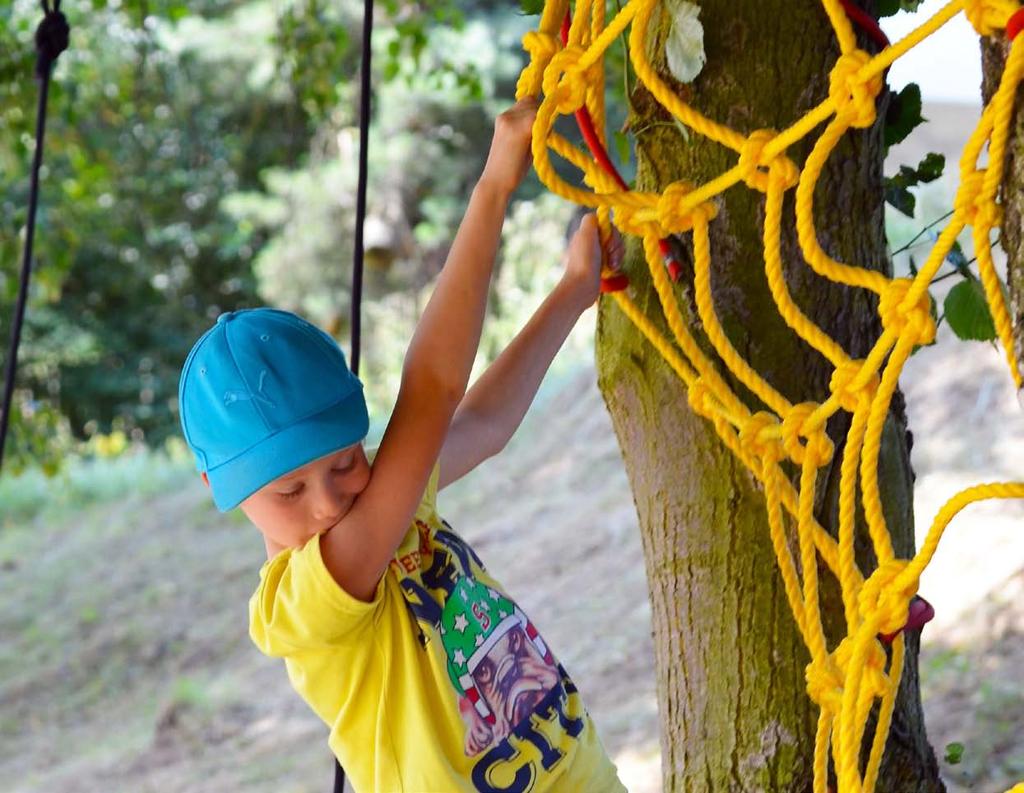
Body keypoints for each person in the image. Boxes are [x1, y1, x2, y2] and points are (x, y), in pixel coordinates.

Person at [177, 97, 627, 792]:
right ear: (222, 490)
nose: (328, 502)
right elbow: (435, 387)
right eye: (289, 489)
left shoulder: (385, 504)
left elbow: (482, 422)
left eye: (345, 462)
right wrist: (492, 188)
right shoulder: (306, 600)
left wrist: (573, 291)